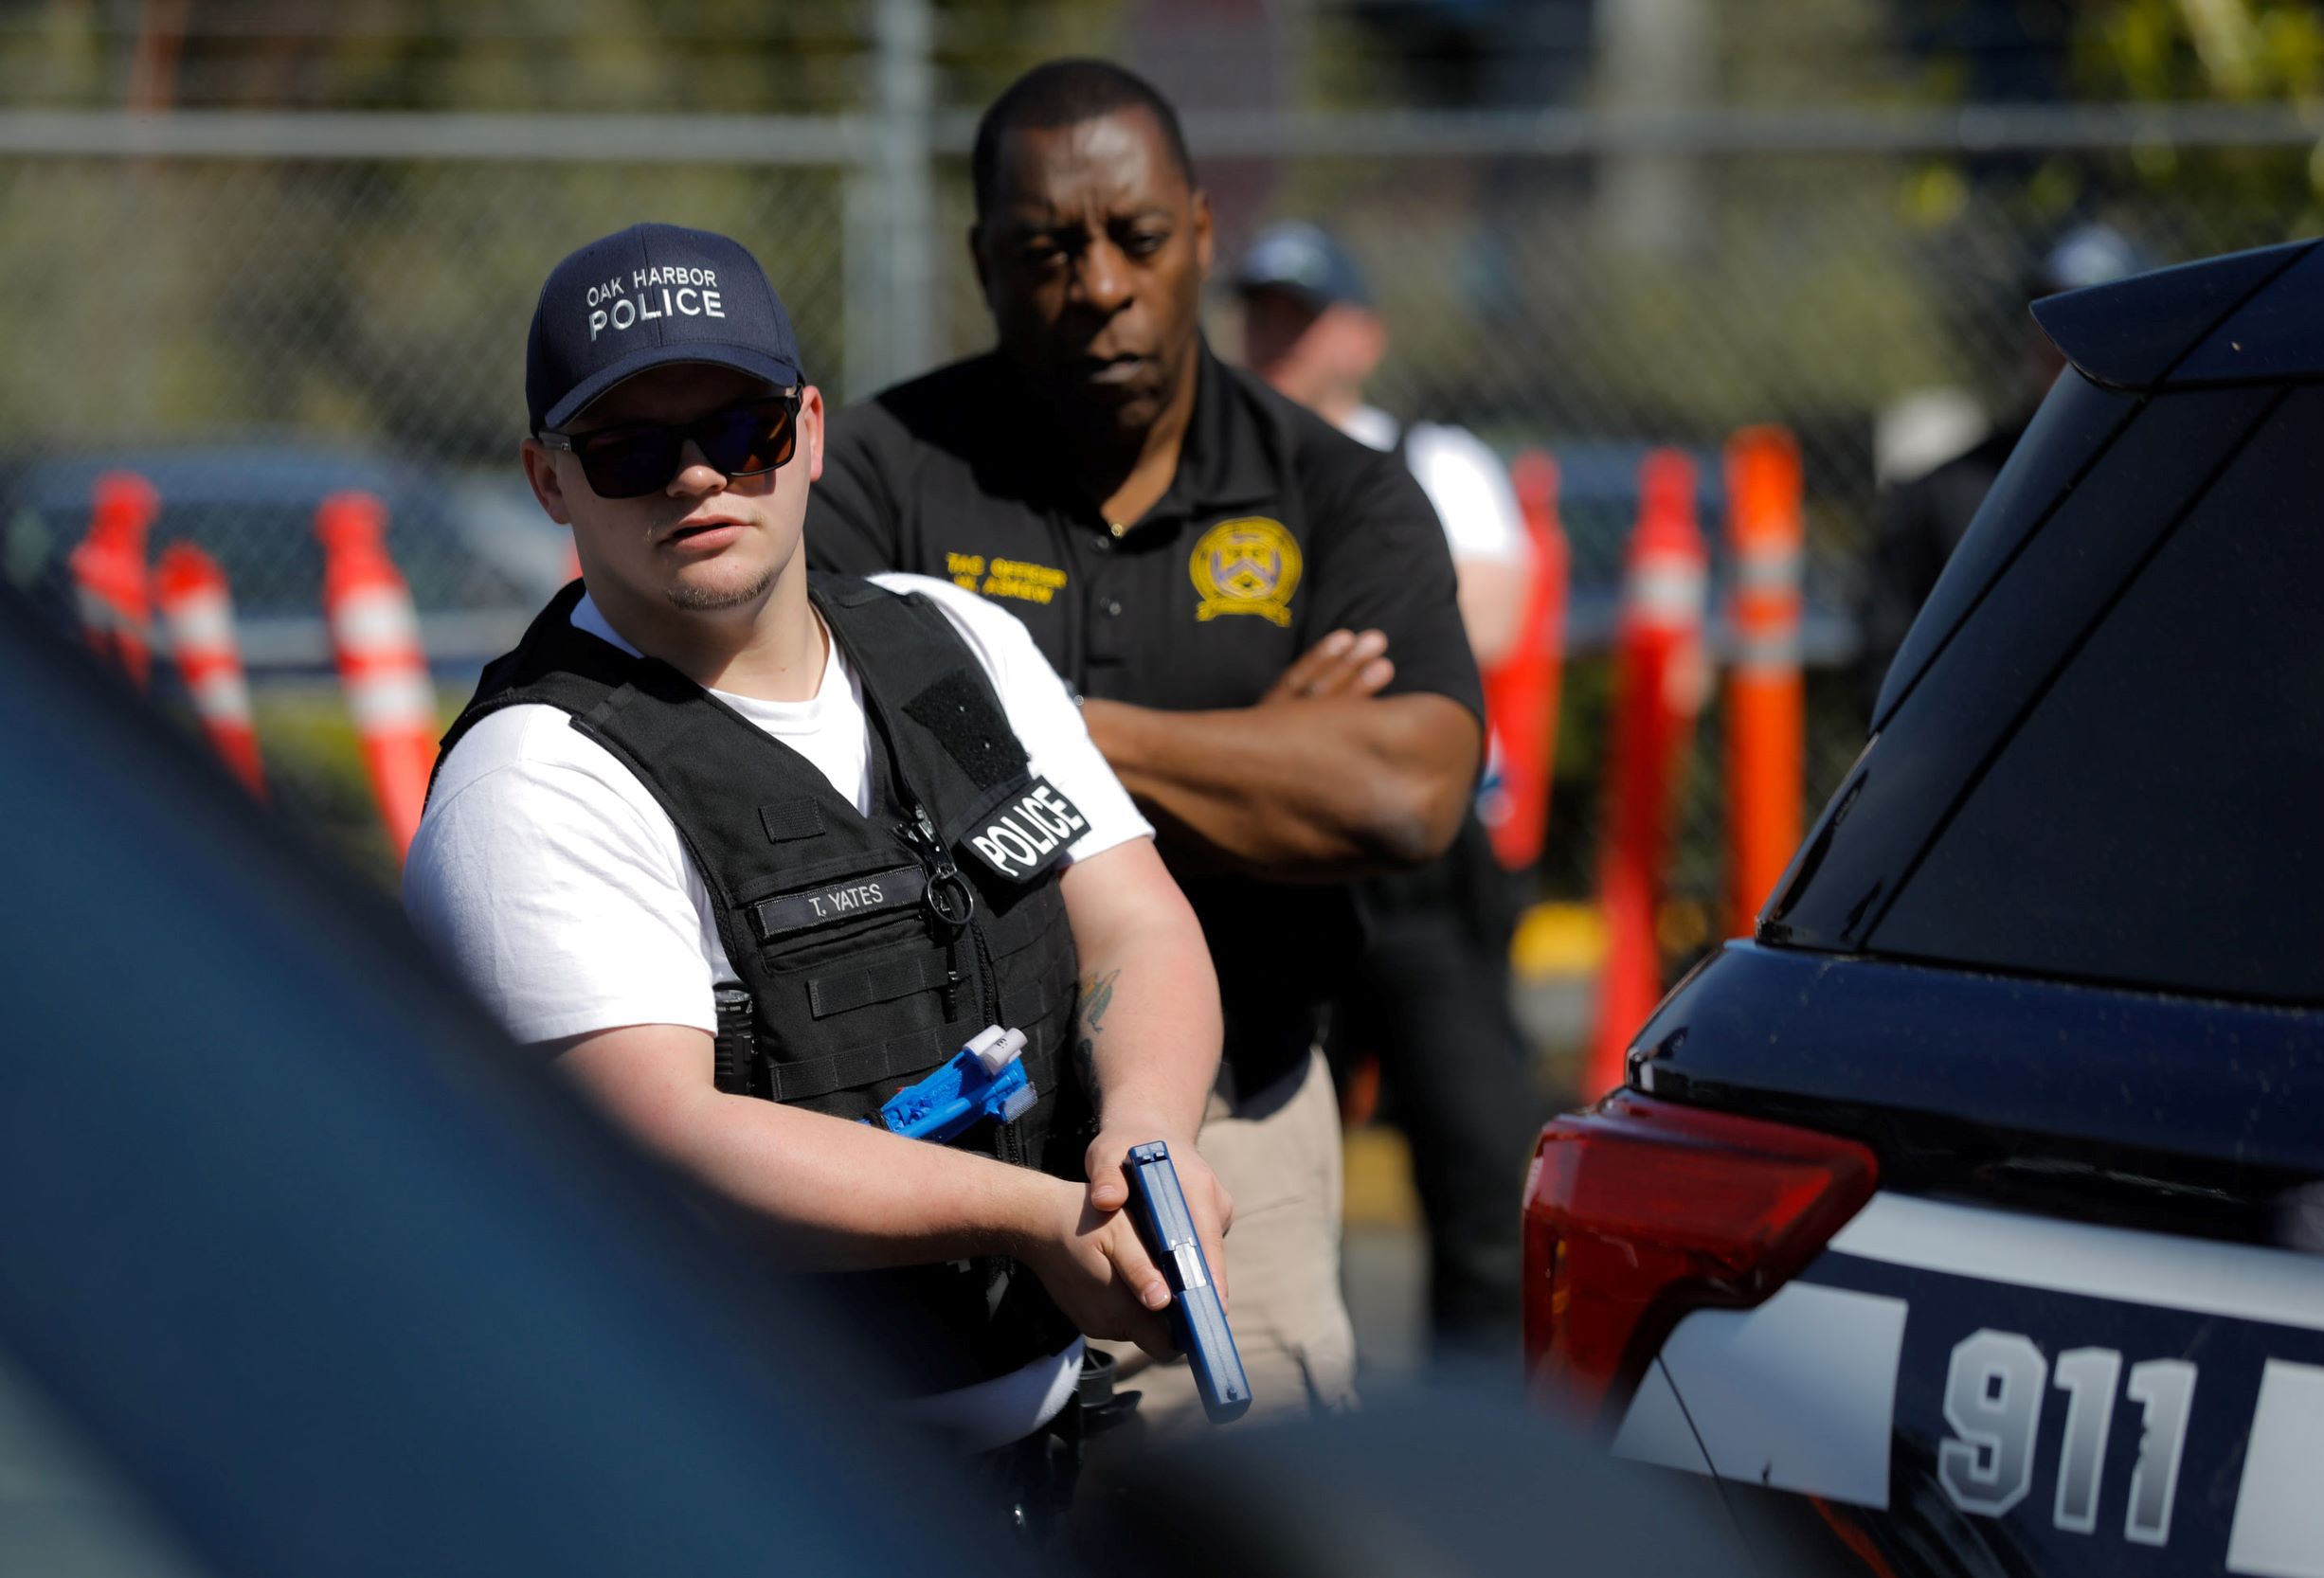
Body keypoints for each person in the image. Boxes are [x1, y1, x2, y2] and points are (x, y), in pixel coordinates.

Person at [402, 222, 1229, 1515]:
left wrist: (1147, 1142)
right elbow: (656, 1144)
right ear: (548, 482)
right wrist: (1025, 1216)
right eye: (628, 449)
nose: (696, 479)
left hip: (1038, 1468)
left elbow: (1132, 921)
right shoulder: (536, 779)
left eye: (741, 429)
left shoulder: (954, 645)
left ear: (811, 433)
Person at [807, 60, 1486, 1424]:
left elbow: (1407, 791)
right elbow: (841, 781)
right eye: (1049, 248)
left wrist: (1020, 736)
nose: (1101, 283)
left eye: (1138, 239)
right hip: (935, 1141)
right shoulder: (875, 471)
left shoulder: (1334, 489)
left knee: (1247, 1528)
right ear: (983, 260)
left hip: (1236, 1137)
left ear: (1203, 234)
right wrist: (1259, 748)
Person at [1233, 221, 1538, 1365]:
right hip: (1279, 848)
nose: (1275, 337)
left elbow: (1488, 621)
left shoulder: (1437, 459)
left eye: (1300, 316)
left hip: (1424, 863)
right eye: (1261, 312)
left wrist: (1293, 671)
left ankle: (1483, 1448)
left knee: (1474, 1151)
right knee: (1274, 1166)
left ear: (1361, 333)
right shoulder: (1218, 473)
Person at [1855, 222, 2145, 713]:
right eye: (2054, 319)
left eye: (2100, 317)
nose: (2068, 345)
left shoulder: (2179, 477)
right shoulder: (1947, 493)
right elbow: (1886, 663)